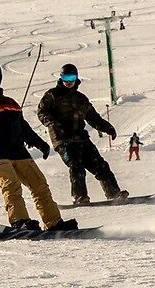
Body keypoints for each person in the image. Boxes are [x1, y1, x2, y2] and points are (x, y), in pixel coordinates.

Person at [0, 59, 68, 234]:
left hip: (18, 152)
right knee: (11, 184)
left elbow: (24, 127)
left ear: (0, 79)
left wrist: (39, 143)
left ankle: (54, 222)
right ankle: (20, 221)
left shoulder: (10, 102)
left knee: (40, 185)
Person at [35, 63, 126, 204]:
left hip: (81, 138)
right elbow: (41, 112)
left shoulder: (81, 98)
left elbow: (93, 118)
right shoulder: (52, 95)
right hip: (62, 139)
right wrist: (52, 123)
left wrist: (108, 128)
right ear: (61, 78)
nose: (68, 81)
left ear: (76, 78)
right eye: (65, 77)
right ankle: (79, 196)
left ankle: (114, 193)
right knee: (76, 164)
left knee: (100, 164)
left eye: (71, 77)